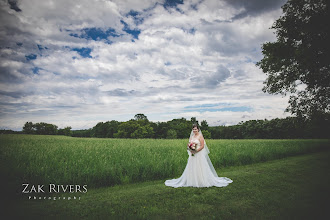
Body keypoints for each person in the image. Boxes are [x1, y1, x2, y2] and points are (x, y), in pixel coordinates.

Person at [165, 124, 233, 188]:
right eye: (193, 129)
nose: (194, 130)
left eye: (195, 129)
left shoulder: (200, 136)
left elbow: (203, 146)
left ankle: (200, 180)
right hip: (192, 155)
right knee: (192, 167)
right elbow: (189, 144)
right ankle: (192, 181)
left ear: (198, 129)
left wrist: (196, 151)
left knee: (199, 167)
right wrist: (190, 148)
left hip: (199, 154)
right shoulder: (191, 137)